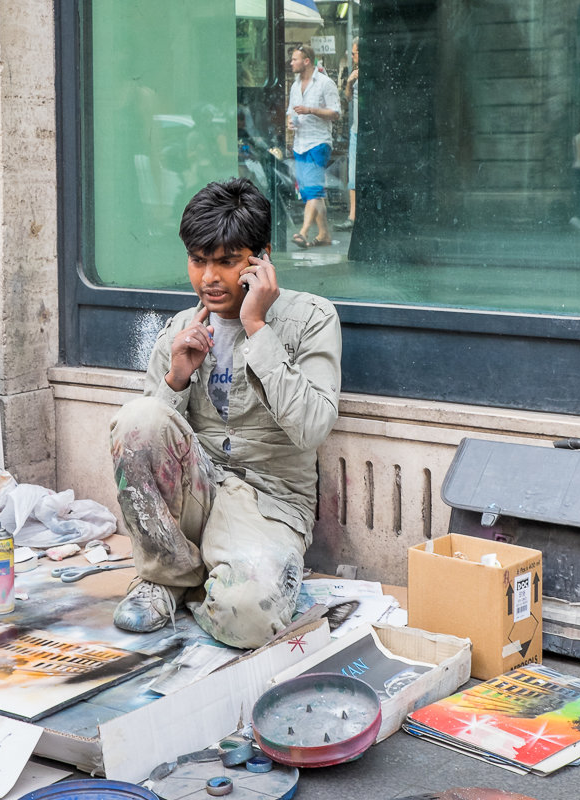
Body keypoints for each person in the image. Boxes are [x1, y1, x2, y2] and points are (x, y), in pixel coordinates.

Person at [109, 177, 342, 649]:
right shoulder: (180, 329)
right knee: (139, 417)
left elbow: (313, 426)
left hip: (270, 503)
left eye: (226, 261)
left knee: (249, 622)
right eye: (198, 261)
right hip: (197, 492)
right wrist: (176, 377)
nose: (209, 278)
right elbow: (145, 445)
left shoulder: (312, 319)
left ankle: (185, 583)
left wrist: (257, 328)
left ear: (261, 258)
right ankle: (169, 573)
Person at [287, 45, 341, 248]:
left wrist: (310, 110)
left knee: (313, 188)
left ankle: (303, 232)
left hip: (319, 142)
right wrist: (290, 122)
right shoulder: (294, 85)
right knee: (311, 193)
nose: (291, 63)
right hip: (299, 142)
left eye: (295, 59)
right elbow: (289, 113)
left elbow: (335, 113)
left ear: (306, 61)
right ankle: (324, 234)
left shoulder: (325, 83)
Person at [336, 38, 360, 232]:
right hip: (355, 129)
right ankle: (352, 215)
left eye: (354, 53)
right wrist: (349, 83)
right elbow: (348, 98)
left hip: (367, 132)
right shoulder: (354, 73)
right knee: (352, 173)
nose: (352, 57)